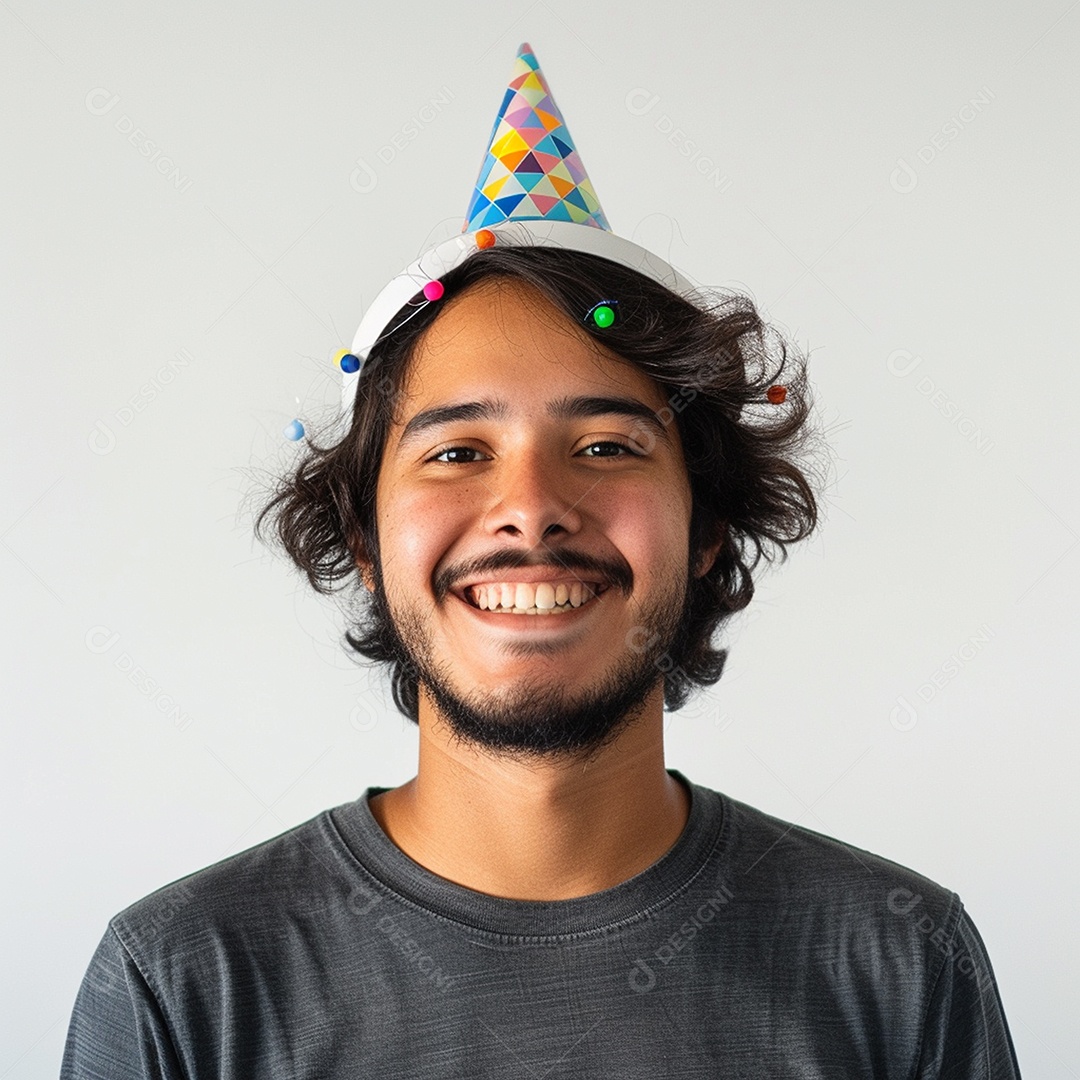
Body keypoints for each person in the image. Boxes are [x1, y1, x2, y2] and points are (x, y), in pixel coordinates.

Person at [61, 43, 1021, 1078]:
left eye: (607, 447)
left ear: (706, 526)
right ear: (365, 538)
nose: (528, 510)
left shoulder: (899, 964)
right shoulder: (182, 984)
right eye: (458, 452)